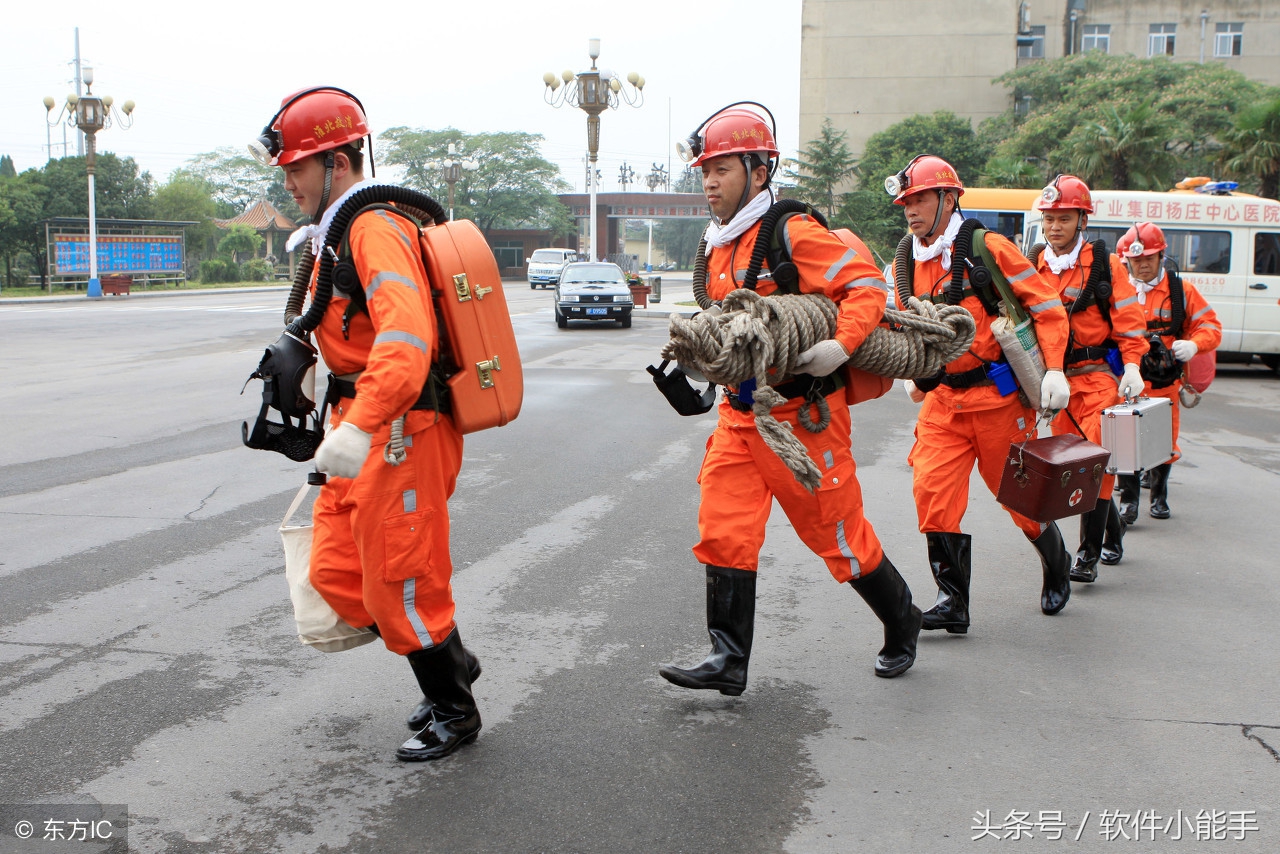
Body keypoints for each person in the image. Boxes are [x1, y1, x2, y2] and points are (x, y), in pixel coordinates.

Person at [658, 104, 921, 693]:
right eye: (705, 171)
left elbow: (866, 287)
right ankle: (728, 660)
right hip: (740, 416)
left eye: (722, 168)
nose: (709, 182)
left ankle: (902, 618)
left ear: (757, 169)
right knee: (723, 528)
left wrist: (839, 345)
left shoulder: (791, 231)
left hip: (803, 417)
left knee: (838, 537)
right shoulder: (717, 244)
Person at [250, 87, 479, 762]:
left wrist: (360, 424)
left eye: (298, 167)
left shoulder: (372, 228)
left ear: (339, 162)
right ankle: (452, 662)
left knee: (400, 574)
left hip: (400, 425)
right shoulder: (335, 232)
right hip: (361, 420)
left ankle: (454, 711)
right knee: (338, 566)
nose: (289, 182)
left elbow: (406, 342)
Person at [892, 155, 1073, 632]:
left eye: (920, 199)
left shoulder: (986, 247)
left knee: (1020, 500)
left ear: (949, 198)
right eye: (905, 202)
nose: (910, 210)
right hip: (943, 403)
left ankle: (1057, 563)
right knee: (931, 493)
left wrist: (1054, 369)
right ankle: (953, 602)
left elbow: (1048, 307)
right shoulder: (906, 259)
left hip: (997, 400)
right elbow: (906, 320)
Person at [1030, 175, 1148, 581]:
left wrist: (1132, 365)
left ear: (1082, 220)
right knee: (1073, 469)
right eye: (1048, 219)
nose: (1054, 227)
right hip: (1054, 384)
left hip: (1097, 380)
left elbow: (1130, 323)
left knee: (1093, 467)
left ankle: (1087, 556)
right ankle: (1113, 534)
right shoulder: (1033, 266)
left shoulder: (1106, 265)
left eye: (1063, 218)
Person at [1114, 222, 1222, 521]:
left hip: (1165, 380)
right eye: (1136, 260)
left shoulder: (1181, 291)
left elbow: (1211, 326)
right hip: (1126, 378)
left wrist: (1194, 344)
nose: (1143, 265)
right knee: (1124, 438)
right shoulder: (1115, 290)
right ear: (1127, 261)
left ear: (1161, 256)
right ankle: (1129, 501)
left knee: (1162, 440)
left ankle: (1159, 496)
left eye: (1148, 258)